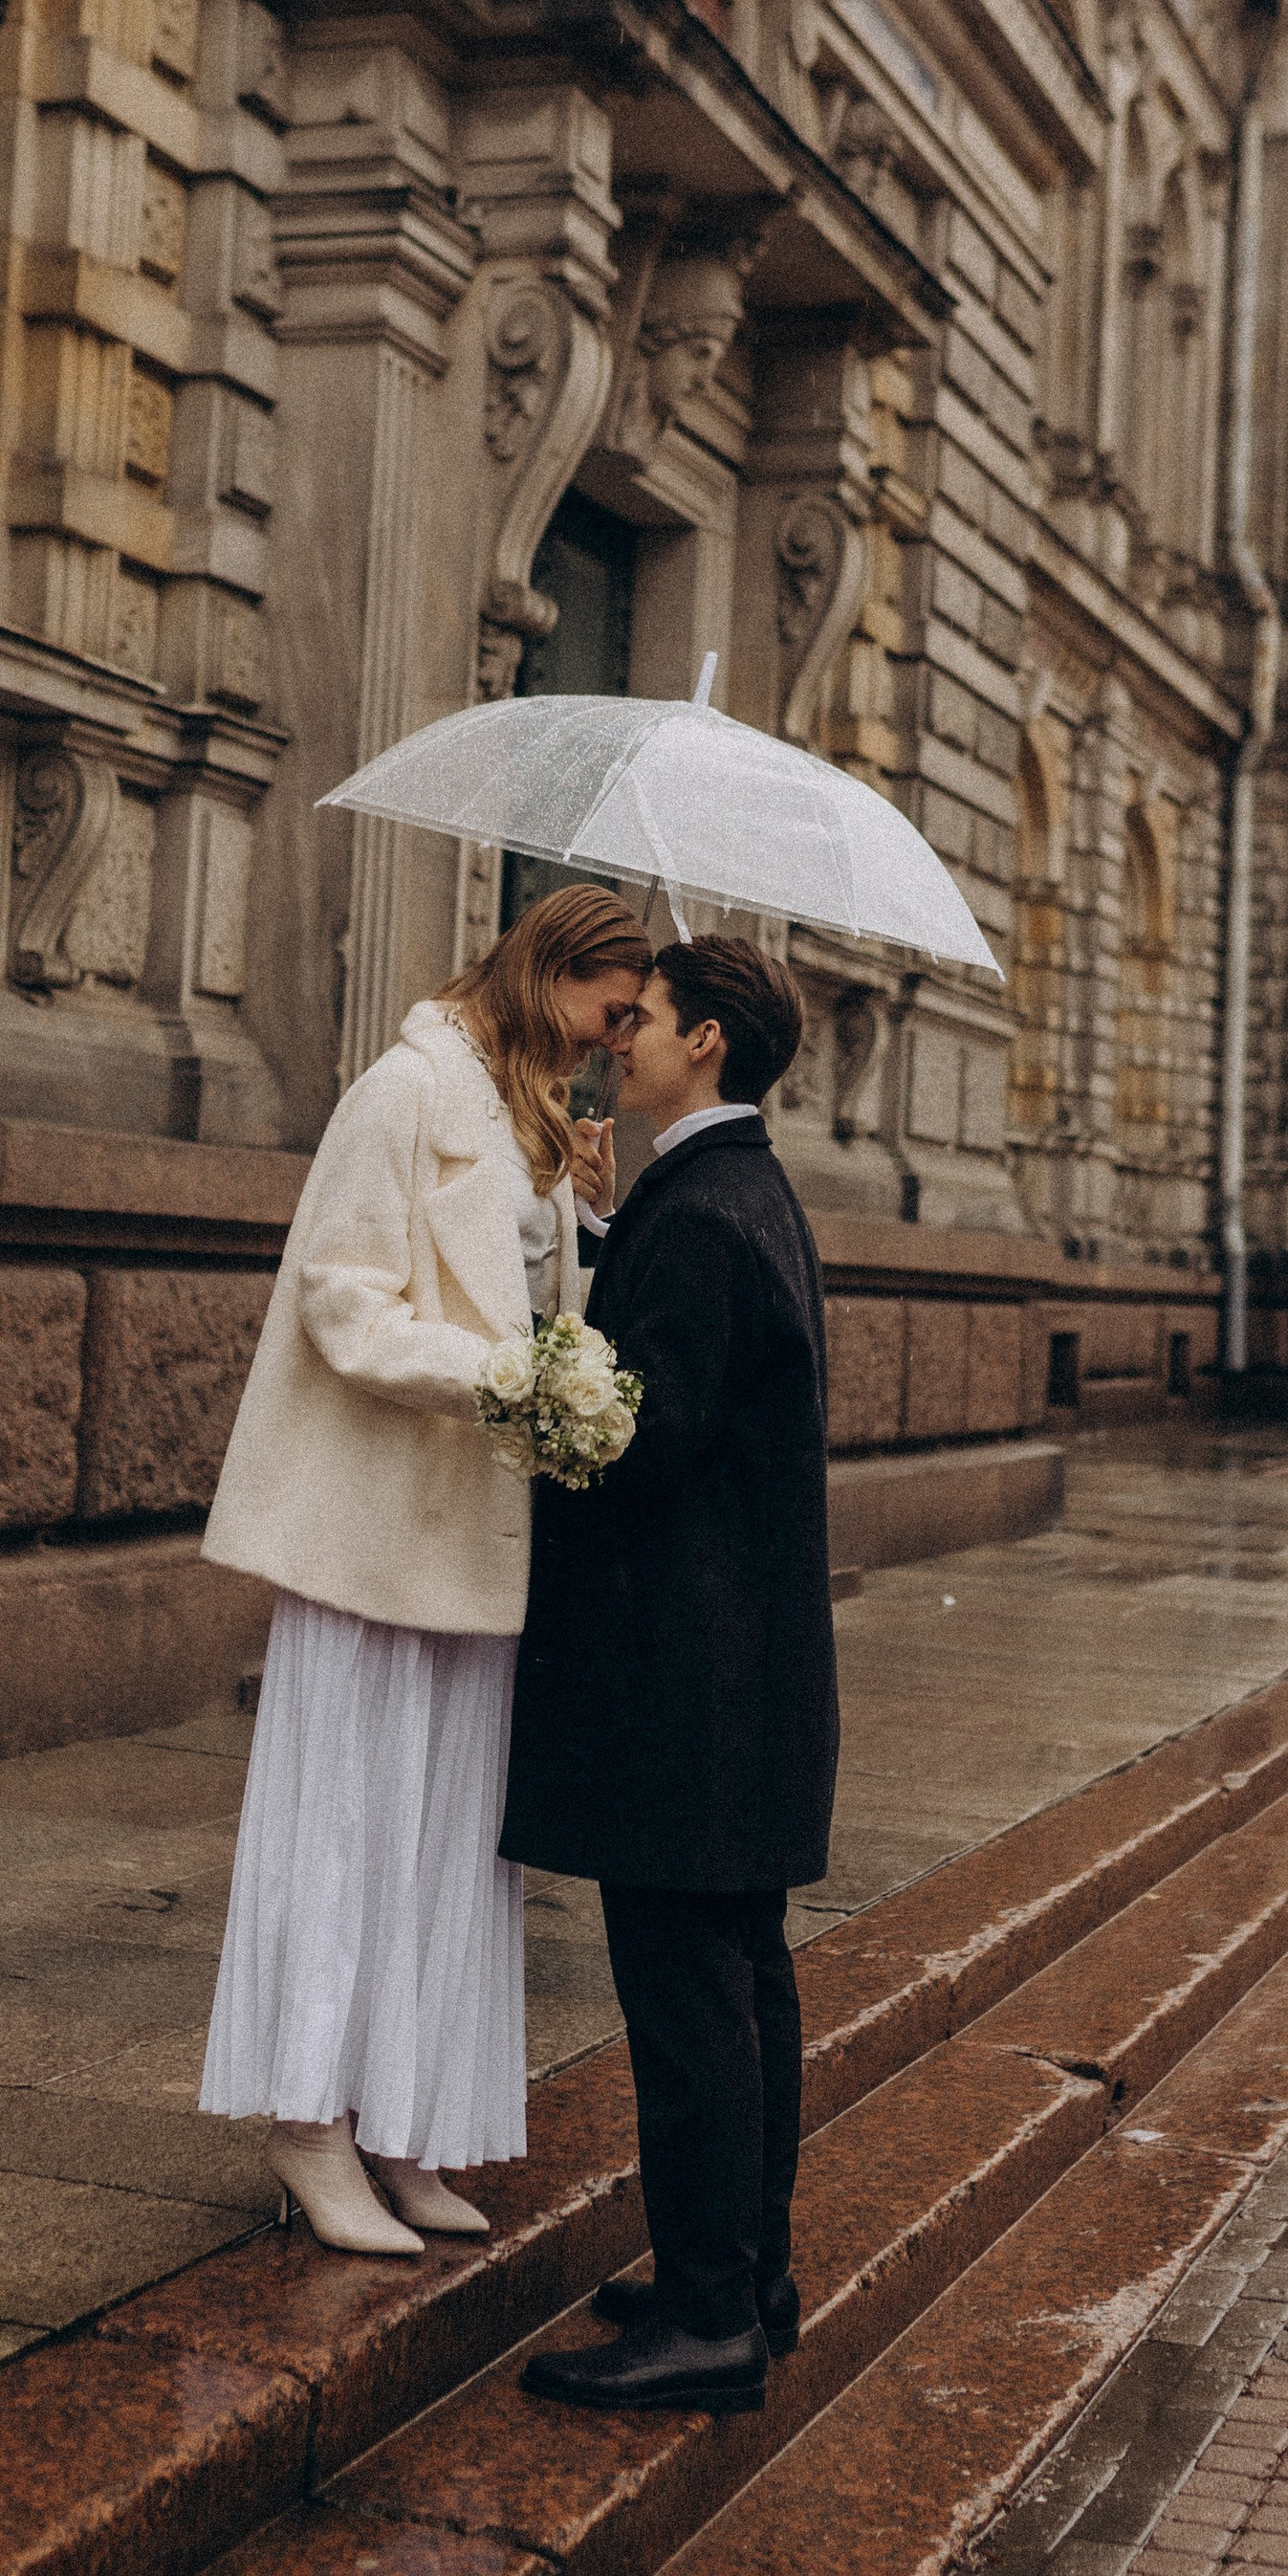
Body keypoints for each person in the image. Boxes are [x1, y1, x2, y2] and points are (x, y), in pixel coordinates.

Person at [197, 885, 651, 2255]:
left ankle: (404, 2126)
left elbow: (541, 1317)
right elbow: (342, 1303)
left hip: (481, 1538)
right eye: (609, 1009)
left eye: (635, 1021)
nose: (618, 1040)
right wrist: (508, 1378)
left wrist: (593, 1234)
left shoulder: (539, 1122)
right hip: (374, 1530)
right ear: (551, 972)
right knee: (342, 1830)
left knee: (453, 1846)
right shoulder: (401, 1094)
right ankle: (307, 2129)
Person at [501, 936, 838, 2418]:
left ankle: (707, 2317)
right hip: (749, 1679)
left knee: (692, 2003)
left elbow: (642, 1438)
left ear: (705, 1042)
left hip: (685, 1686)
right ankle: (747, 2276)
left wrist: (541, 1387)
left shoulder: (700, 1215)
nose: (612, 1044)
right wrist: (603, 1235)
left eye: (637, 1023)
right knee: (744, 1984)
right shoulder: (734, 1191)